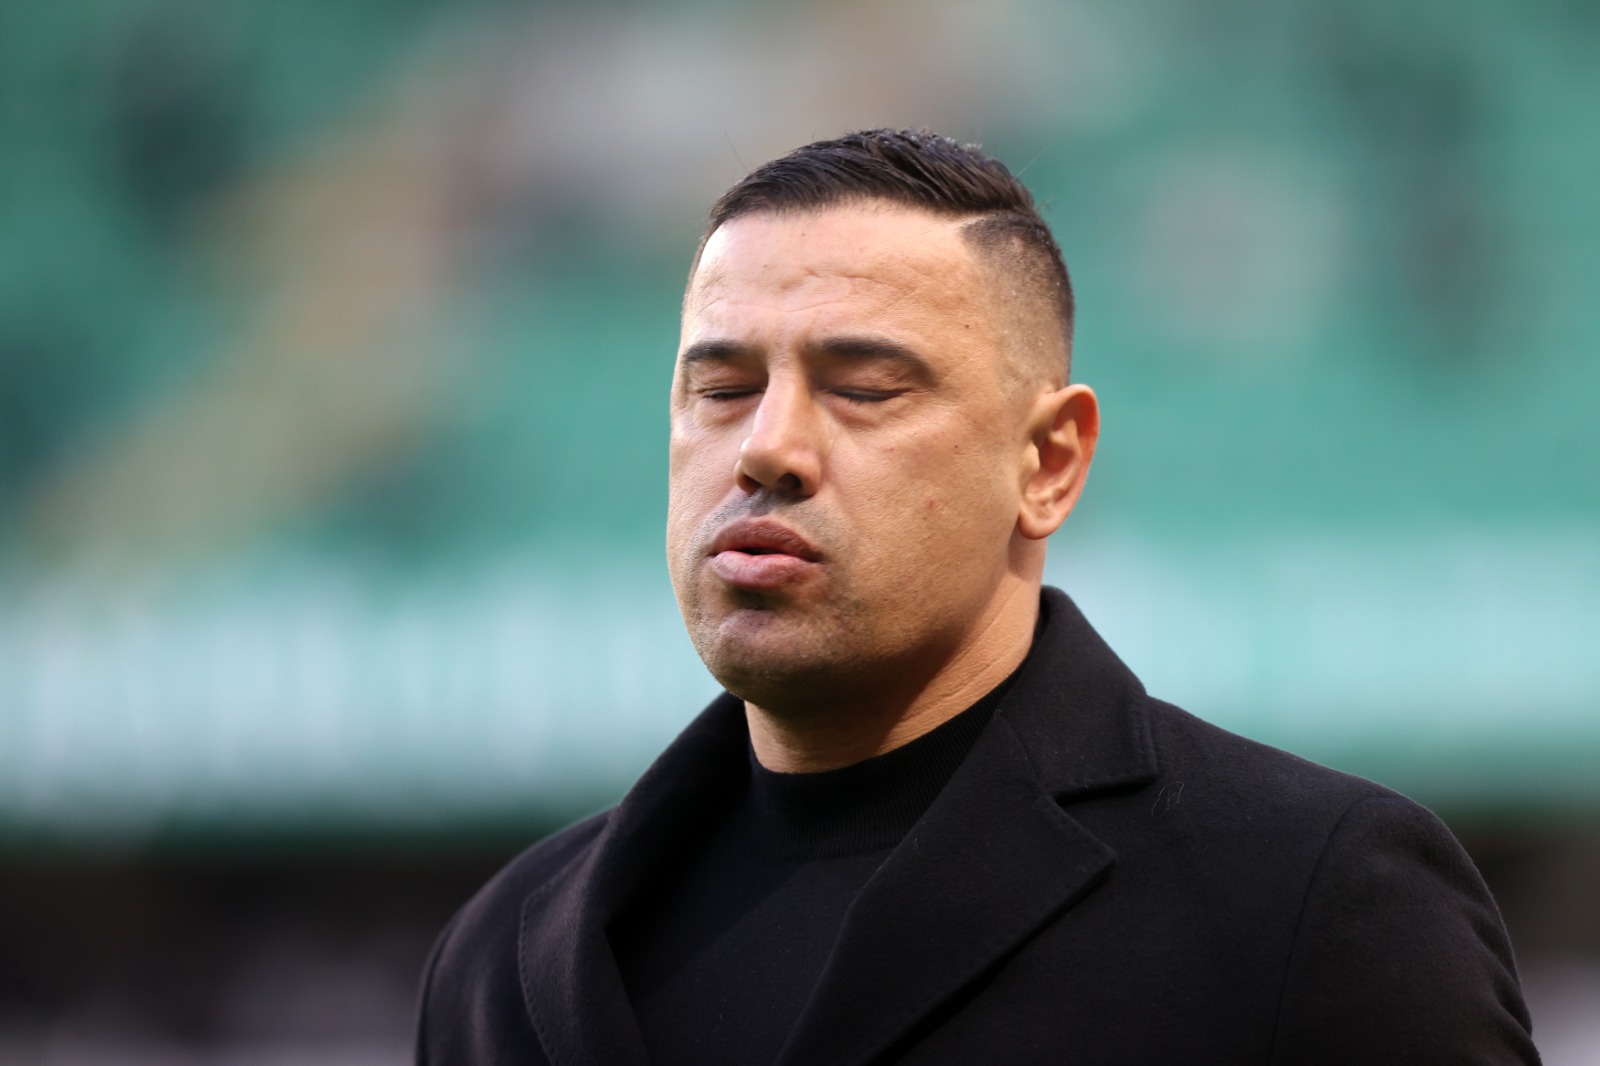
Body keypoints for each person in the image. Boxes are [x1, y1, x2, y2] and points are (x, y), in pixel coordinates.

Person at [415, 129, 1539, 1065]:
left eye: (863, 387)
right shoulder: (498, 956)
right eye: (721, 387)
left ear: (1047, 462)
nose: (765, 448)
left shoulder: (1315, 900)